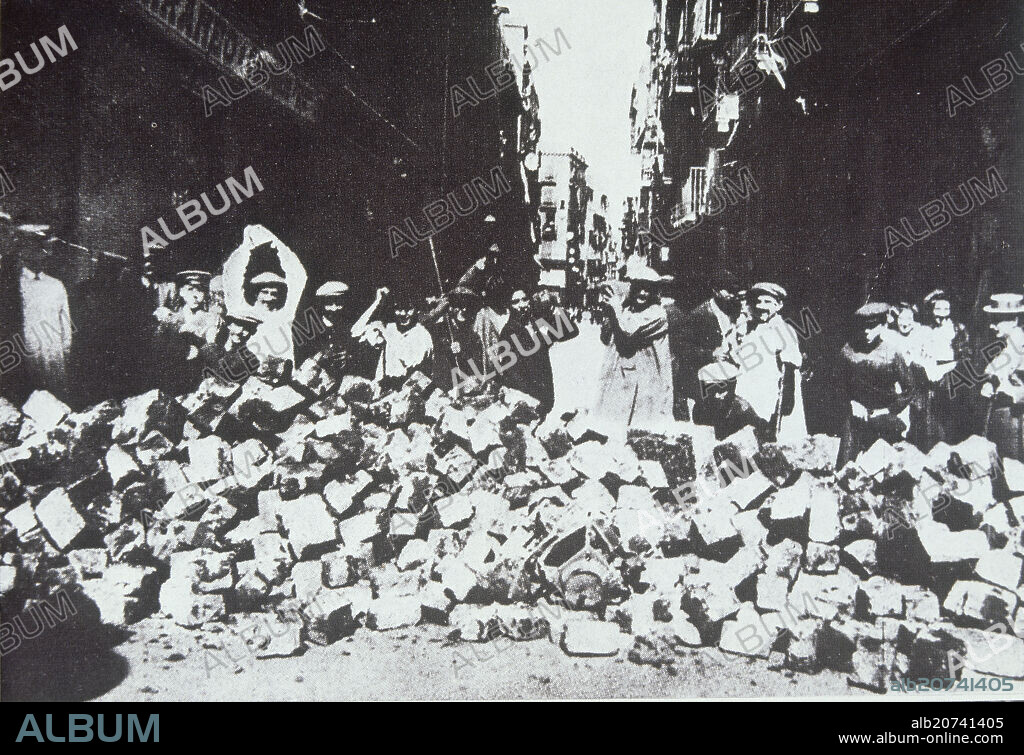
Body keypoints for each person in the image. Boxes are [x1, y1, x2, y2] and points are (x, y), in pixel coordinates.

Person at [720, 282, 806, 443]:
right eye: (758, 302)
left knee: (769, 442)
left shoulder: (783, 330)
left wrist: (784, 405)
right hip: (748, 396)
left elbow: (790, 370)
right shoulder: (749, 329)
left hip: (770, 397)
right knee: (745, 441)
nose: (761, 306)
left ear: (779, 305)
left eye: (767, 302)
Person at [593, 266, 674, 434]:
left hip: (648, 383)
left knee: (642, 431)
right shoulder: (626, 309)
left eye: (648, 289)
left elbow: (628, 330)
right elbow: (605, 337)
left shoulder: (657, 314)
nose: (643, 293)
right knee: (612, 428)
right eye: (639, 288)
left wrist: (616, 307)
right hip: (619, 379)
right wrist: (609, 310)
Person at [836, 303, 914, 466]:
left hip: (883, 414)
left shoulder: (892, 353)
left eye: (872, 326)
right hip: (856, 414)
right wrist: (852, 403)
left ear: (883, 325)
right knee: (846, 462)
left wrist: (888, 410)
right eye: (863, 327)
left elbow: (909, 389)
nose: (866, 331)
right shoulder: (849, 351)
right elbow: (838, 385)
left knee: (882, 466)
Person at [668, 269, 742, 420]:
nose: (732, 294)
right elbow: (682, 347)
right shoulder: (700, 315)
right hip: (705, 380)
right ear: (715, 291)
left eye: (735, 291)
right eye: (728, 290)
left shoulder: (735, 311)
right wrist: (710, 354)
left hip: (731, 376)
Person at [10, 224, 73, 398]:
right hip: (26, 355)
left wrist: (64, 352)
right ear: (22, 250)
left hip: (54, 355)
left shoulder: (55, 285)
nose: (42, 254)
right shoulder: (14, 285)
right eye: (35, 247)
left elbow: (65, 324)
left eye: (44, 248)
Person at [908, 288, 972, 448]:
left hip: (950, 382)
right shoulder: (925, 330)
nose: (942, 314)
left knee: (948, 426)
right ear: (931, 309)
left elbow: (966, 358)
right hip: (927, 382)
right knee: (927, 424)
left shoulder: (958, 329)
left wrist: (947, 370)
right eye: (938, 309)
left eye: (946, 309)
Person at [499, 288, 577, 415]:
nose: (522, 305)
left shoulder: (538, 323)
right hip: (527, 399)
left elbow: (571, 331)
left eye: (525, 299)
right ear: (509, 306)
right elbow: (510, 371)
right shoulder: (508, 332)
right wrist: (529, 396)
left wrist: (555, 309)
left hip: (545, 391)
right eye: (516, 302)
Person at [352, 286, 434, 393]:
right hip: (388, 391)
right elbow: (355, 332)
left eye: (409, 309)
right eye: (399, 309)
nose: (403, 314)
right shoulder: (391, 328)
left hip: (414, 392)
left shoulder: (422, 334)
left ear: (416, 309)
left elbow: (408, 359)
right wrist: (377, 302)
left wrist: (385, 333)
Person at [978, 294, 1024, 461]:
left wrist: (991, 382)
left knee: (1011, 462)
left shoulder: (1018, 341)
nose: (991, 325)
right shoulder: (1009, 341)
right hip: (1008, 411)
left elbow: (1001, 368)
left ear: (1013, 321)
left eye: (997, 320)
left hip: (1014, 413)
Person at [691, 361, 767, 441]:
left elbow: (758, 425)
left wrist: (763, 426)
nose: (718, 395)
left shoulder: (741, 408)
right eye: (708, 388)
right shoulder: (700, 408)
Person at [200, 312, 262, 384]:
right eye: (242, 325)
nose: (245, 332)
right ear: (229, 325)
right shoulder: (210, 348)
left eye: (249, 328)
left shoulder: (248, 359)